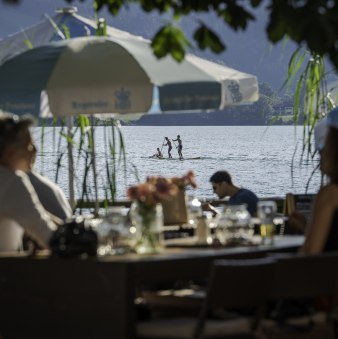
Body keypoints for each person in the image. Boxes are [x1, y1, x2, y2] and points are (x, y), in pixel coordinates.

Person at [0, 113, 59, 251]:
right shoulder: (11, 182)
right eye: (29, 145)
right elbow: (50, 239)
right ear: (10, 152)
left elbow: (37, 216)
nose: (35, 150)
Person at [297, 108, 338, 253]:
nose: (319, 157)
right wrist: (308, 226)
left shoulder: (330, 195)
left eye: (322, 150)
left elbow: (310, 256)